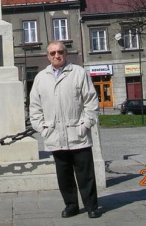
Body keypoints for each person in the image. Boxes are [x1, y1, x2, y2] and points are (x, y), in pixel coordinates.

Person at [29, 41, 101, 219]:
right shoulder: (41, 77)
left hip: (78, 133)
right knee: (64, 175)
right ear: (47, 56)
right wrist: (42, 129)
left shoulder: (78, 73)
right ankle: (71, 205)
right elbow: (34, 107)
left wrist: (85, 125)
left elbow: (91, 101)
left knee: (86, 175)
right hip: (55, 136)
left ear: (65, 53)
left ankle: (92, 206)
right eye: (52, 53)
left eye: (60, 52)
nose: (56, 55)